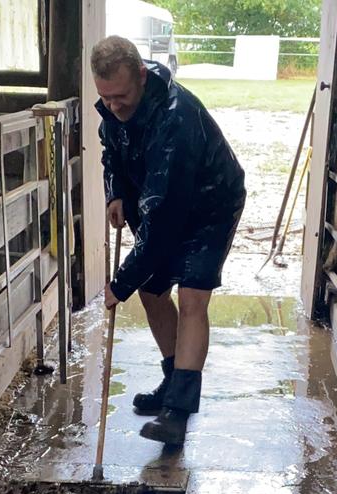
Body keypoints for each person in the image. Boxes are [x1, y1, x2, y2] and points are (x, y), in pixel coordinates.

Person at [91, 36, 246, 446]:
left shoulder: (176, 119)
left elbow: (161, 228)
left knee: (193, 295)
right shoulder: (113, 107)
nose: (113, 106)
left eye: (121, 96)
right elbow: (112, 149)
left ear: (141, 75)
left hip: (211, 203)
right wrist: (116, 191)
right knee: (152, 289)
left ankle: (177, 412)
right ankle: (172, 377)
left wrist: (117, 285)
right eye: (104, 98)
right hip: (160, 198)